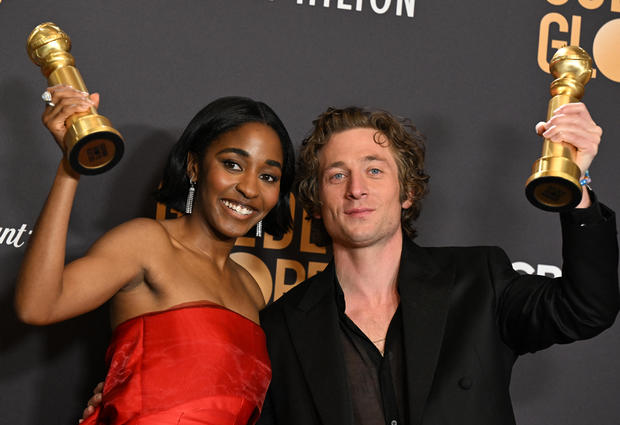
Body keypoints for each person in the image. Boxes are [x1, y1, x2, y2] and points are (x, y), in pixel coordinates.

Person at [256, 103, 619, 425]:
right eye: (337, 175)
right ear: (316, 201)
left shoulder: (481, 280)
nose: (356, 189)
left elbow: (586, 309)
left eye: (375, 171)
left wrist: (574, 184)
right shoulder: (281, 328)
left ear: (408, 192)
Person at [15, 86, 295, 425]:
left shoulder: (251, 289)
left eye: (268, 176)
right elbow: (38, 306)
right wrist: (70, 168)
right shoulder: (147, 243)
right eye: (233, 164)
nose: (250, 188)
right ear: (194, 167)